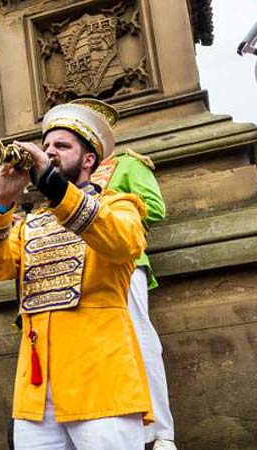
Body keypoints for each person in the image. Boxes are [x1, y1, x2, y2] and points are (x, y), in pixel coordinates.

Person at [0, 97, 153, 449]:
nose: (49, 151)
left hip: (100, 382)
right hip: (37, 393)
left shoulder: (120, 205)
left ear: (88, 160)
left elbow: (122, 242)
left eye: (61, 145)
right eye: (46, 146)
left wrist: (54, 184)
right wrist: (2, 203)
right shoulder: (30, 224)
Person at [89, 131, 172, 449]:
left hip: (124, 261)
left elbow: (155, 208)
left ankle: (161, 433)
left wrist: (103, 215)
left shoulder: (128, 164)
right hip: (79, 271)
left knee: (139, 341)